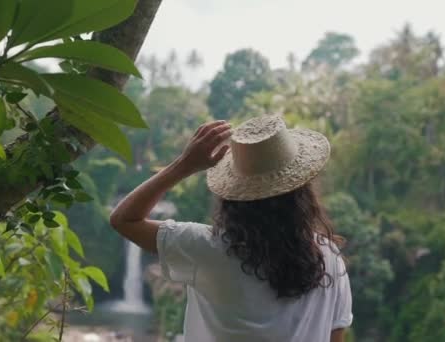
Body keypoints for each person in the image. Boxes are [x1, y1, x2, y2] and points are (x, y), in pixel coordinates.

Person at [110, 115, 353, 342]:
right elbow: (336, 335)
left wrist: (185, 165)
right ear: (303, 191)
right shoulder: (329, 257)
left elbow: (124, 219)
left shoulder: (205, 248)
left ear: (233, 196)